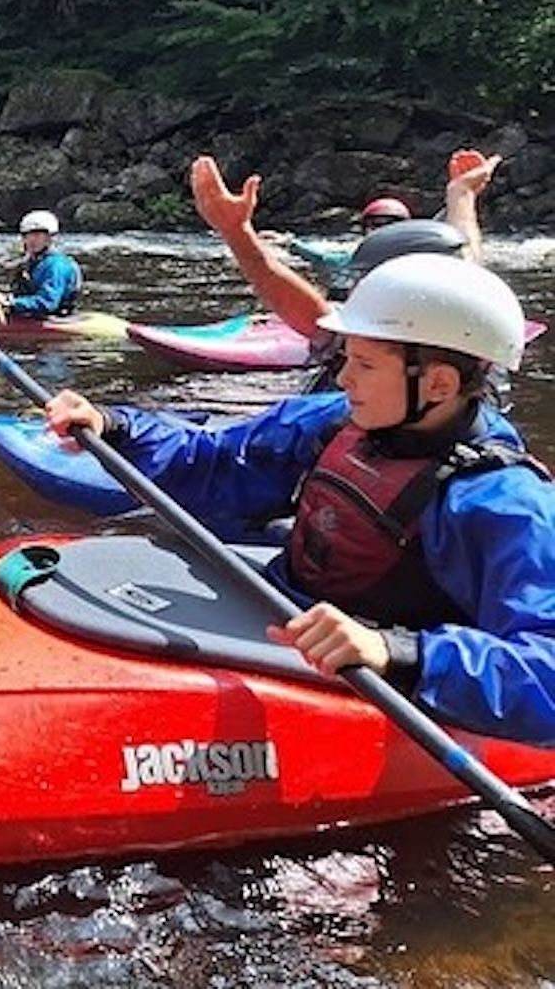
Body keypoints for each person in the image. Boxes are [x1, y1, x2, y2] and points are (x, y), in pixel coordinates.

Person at [42, 254, 555, 743]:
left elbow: (547, 668)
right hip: (288, 614)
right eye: (345, 359)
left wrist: (397, 651)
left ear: (438, 384)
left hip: (386, 678)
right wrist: (117, 425)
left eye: (365, 365)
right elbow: (215, 462)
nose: (343, 377)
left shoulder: (504, 503)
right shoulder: (337, 420)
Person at [190, 154, 495, 339]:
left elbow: (465, 264)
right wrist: (462, 195)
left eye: (388, 224)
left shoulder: (437, 281)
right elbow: (467, 261)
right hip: (346, 313)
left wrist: (239, 234)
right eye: (376, 225)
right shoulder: (359, 258)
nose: (381, 231)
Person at [0, 210, 83, 319]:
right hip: (31, 314)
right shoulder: (29, 262)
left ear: (49, 238)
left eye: (37, 235)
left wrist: (13, 303)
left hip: (56, 317)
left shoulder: (57, 265)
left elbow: (48, 302)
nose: (32, 240)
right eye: (28, 235)